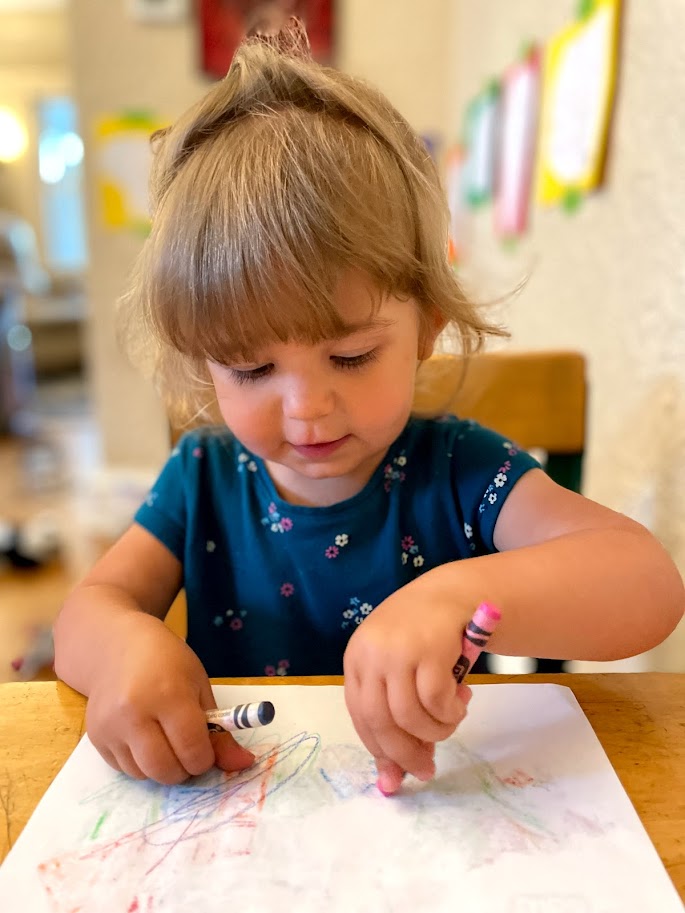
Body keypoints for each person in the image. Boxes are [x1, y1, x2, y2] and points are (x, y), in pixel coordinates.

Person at [53, 19, 684, 797]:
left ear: (425, 325)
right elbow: (88, 611)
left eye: (350, 356)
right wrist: (120, 649)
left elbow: (645, 583)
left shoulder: (458, 469)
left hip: (435, 814)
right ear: (201, 363)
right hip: (244, 820)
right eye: (251, 368)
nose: (308, 409)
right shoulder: (202, 477)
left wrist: (452, 595)